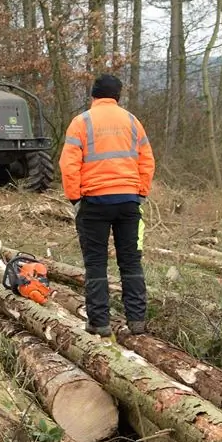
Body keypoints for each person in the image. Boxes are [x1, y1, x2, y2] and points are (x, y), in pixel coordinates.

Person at [59, 74, 155, 337]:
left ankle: (99, 323)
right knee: (131, 262)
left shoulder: (81, 122)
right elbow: (147, 161)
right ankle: (137, 321)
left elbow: (68, 165)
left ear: (93, 95)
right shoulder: (133, 122)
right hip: (128, 201)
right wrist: (140, 193)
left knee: (96, 263)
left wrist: (75, 198)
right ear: (118, 96)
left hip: (94, 202)